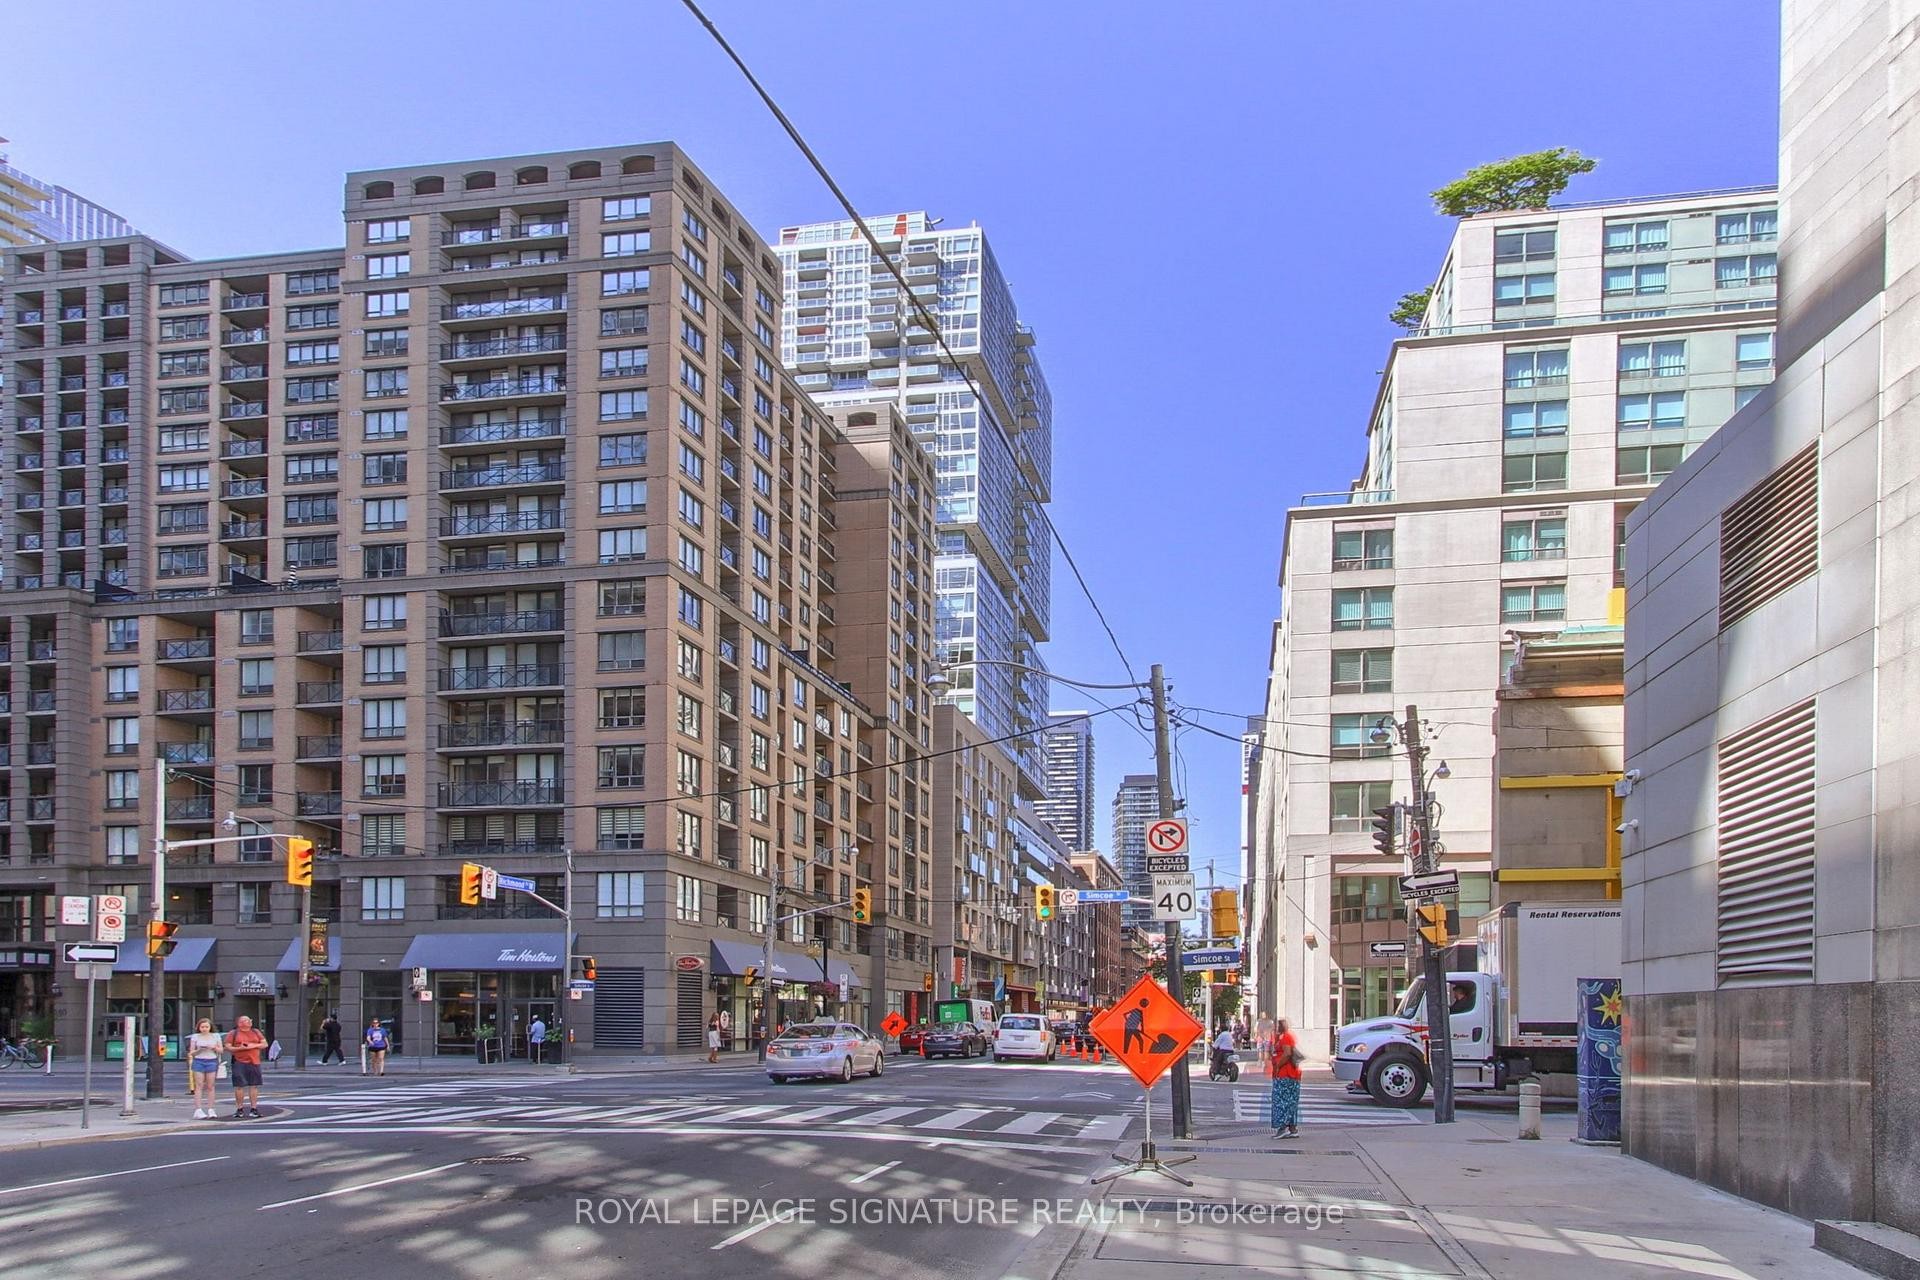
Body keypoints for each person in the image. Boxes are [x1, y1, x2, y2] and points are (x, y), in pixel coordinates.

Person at [224, 1015, 268, 1119]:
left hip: (254, 1061)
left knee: (254, 1085)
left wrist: (253, 1046)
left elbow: (264, 1044)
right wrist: (239, 1048)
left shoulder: (256, 1032)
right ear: (238, 1023)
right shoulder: (233, 1033)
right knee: (239, 1086)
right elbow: (227, 1046)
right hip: (239, 1061)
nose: (246, 1023)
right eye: (243, 1021)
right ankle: (240, 1109)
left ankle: (254, 1108)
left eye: (248, 1020)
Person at [1270, 1016, 1303, 1139]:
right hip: (1286, 1074)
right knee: (1290, 1101)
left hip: (1286, 1074)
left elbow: (1287, 1053)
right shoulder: (1282, 1037)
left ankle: (1283, 1127)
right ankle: (1292, 1128)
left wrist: (1278, 1066)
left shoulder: (1286, 1037)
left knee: (1283, 1101)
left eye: (1276, 1026)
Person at [187, 1018, 224, 1119]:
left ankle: (211, 1109)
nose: (204, 1029)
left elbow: (221, 1050)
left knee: (210, 1086)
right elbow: (192, 1052)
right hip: (199, 1060)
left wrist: (214, 1048)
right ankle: (198, 1109)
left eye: (206, 1027)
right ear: (199, 1028)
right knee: (199, 1085)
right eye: (202, 1027)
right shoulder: (195, 1037)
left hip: (211, 1060)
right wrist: (200, 1049)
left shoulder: (215, 1036)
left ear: (210, 1027)